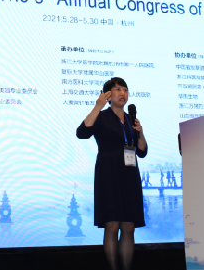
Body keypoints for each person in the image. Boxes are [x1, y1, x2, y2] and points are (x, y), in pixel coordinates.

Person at [76, 77, 148, 270]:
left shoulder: (131, 119)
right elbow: (81, 133)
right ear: (108, 95)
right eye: (117, 89)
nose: (122, 93)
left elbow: (142, 152)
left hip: (129, 175)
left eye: (125, 89)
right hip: (108, 174)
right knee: (113, 225)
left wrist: (140, 133)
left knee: (128, 227)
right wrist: (97, 106)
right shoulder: (101, 116)